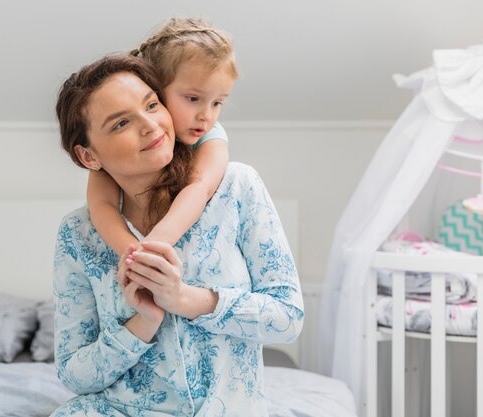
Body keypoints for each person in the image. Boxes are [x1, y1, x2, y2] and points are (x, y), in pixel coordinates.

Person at [52, 53, 303, 417]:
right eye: (121, 122)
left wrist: (184, 298)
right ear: (89, 156)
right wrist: (143, 323)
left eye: (152, 105)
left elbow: (287, 318)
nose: (150, 125)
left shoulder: (235, 187)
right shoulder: (78, 233)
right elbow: (74, 375)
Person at [86, 18, 237, 265]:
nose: (206, 115)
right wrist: (134, 255)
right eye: (193, 98)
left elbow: (199, 188)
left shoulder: (211, 136)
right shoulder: (109, 157)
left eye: (217, 102)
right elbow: (100, 206)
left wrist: (156, 244)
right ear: (154, 86)